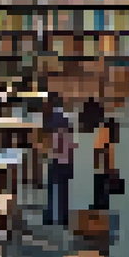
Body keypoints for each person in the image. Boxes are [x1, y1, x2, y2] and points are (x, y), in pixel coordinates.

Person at [45, 95, 74, 226]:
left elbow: (53, 143)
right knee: (64, 190)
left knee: (51, 189)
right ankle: (64, 217)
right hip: (67, 160)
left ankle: (50, 216)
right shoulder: (68, 122)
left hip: (55, 159)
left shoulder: (51, 121)